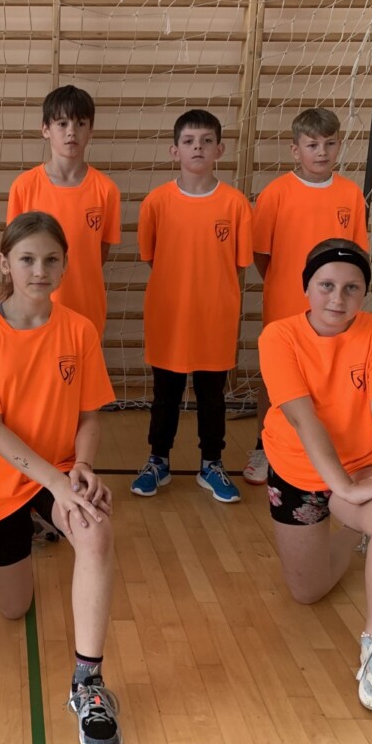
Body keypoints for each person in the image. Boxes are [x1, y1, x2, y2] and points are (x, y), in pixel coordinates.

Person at [0, 212, 123, 744]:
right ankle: (35, 524)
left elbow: (91, 416)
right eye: (26, 259)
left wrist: (83, 467)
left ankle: (88, 683)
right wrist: (56, 482)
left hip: (60, 472)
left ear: (66, 265)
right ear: (4, 263)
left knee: (97, 533)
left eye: (51, 259)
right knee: (14, 607)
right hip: (3, 476)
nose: (39, 270)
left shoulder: (78, 329)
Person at [259, 239, 372, 714]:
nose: (338, 298)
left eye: (352, 288)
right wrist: (343, 487)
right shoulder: (279, 336)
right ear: (306, 288)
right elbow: (302, 417)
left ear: (364, 294)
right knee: (307, 592)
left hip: (362, 466)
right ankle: (354, 533)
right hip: (297, 469)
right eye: (326, 285)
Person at [132, 110, 253, 503]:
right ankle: (158, 461)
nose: (197, 147)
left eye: (205, 141)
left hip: (215, 318)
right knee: (165, 395)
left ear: (220, 149)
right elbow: (152, 257)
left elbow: (238, 263)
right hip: (169, 316)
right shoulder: (156, 202)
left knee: (212, 396)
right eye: (188, 141)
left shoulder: (235, 204)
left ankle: (211, 463)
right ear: (175, 150)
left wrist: (208, 290)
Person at [245, 107, 370, 486]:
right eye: (312, 145)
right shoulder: (275, 193)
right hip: (285, 305)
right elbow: (261, 254)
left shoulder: (350, 194)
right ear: (295, 149)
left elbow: (355, 255)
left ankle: (331, 452)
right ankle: (265, 447)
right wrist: (286, 285)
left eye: (330, 144)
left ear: (339, 146)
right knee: (277, 380)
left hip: (334, 310)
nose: (322, 152)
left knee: (333, 378)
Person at [6, 85, 120, 338]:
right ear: (45, 129)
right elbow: (14, 253)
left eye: (80, 123)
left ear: (90, 130)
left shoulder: (106, 190)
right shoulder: (24, 187)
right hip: (33, 311)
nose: (71, 132)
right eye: (62, 123)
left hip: (86, 309)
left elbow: (99, 253)